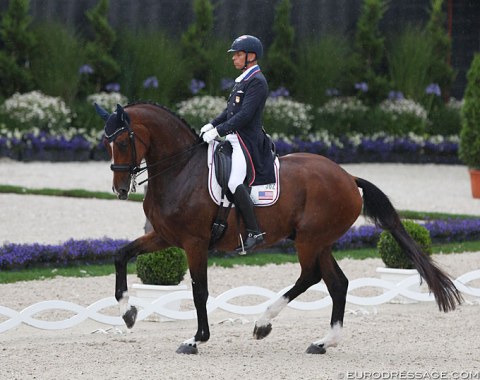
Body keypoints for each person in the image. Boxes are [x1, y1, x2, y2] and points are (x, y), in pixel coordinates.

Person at [201, 35, 275, 252]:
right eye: (235, 54)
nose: (234, 58)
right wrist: (212, 124)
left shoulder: (257, 82)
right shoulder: (243, 79)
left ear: (251, 56)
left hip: (247, 141)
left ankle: (255, 231)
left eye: (239, 54)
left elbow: (244, 116)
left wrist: (218, 131)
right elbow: (230, 111)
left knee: (234, 183)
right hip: (233, 138)